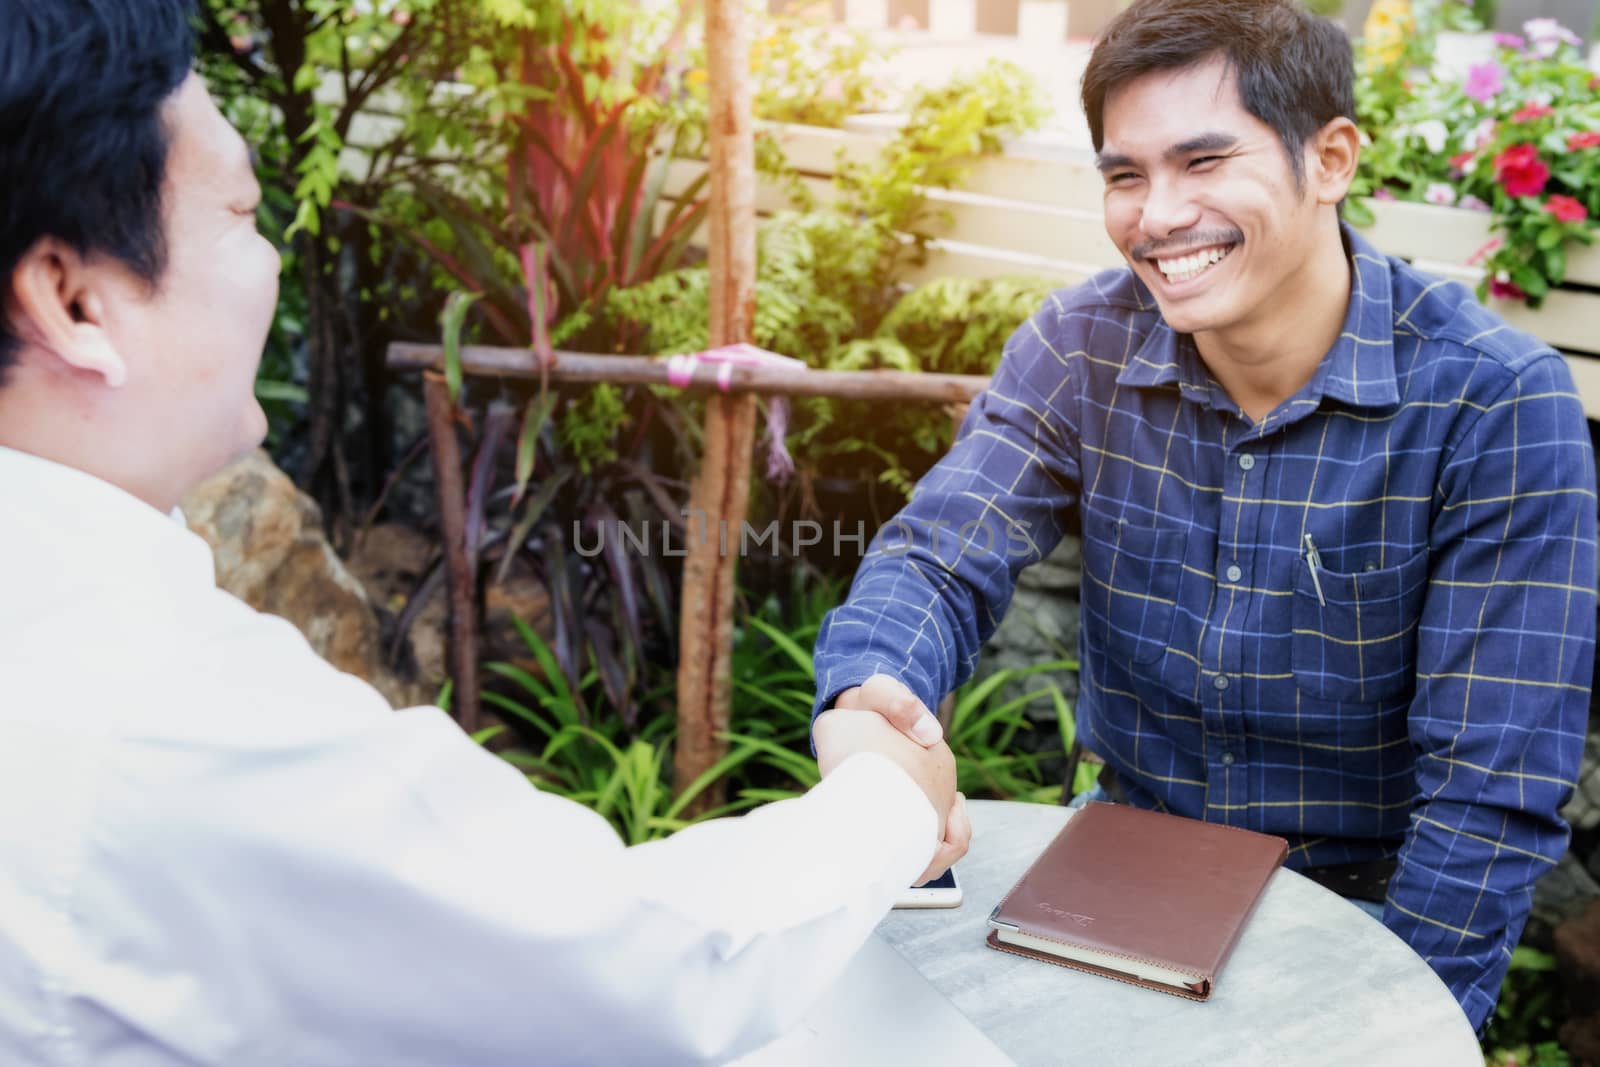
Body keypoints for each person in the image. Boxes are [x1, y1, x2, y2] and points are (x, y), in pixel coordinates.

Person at [0, 1, 969, 1063]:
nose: (274, 259)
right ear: (73, 301)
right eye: (240, 212)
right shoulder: (153, 706)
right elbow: (636, 967)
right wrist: (891, 795)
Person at [815, 0, 1597, 1034]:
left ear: (1330, 159)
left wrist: (1392, 1028)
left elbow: (1486, 794)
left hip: (1361, 905)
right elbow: (939, 552)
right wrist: (876, 698)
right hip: (1118, 873)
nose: (1157, 214)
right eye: (1125, 175)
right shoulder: (1080, 344)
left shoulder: (1495, 405)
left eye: (1203, 162)